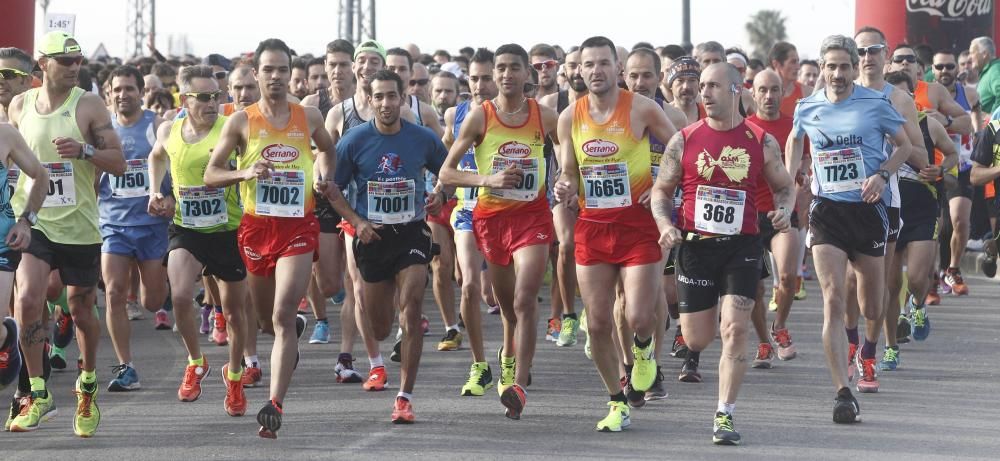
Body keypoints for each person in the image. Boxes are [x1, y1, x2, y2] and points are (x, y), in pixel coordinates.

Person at [652, 62, 793, 444]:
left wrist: (783, 209)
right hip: (696, 248)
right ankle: (702, 317)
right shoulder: (683, 139)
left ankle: (724, 413)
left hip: (741, 247)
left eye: (713, 86)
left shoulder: (760, 140)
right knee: (696, 339)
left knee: (735, 329)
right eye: (702, 87)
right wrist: (666, 226)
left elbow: (784, 185)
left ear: (735, 91)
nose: (705, 93)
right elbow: (661, 192)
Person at [205, 38, 336, 438]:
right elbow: (212, 173)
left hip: (297, 226)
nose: (276, 76)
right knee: (264, 320)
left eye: (282, 69)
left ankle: (275, 404)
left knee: (280, 315)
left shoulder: (309, 117)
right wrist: (243, 173)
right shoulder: (241, 121)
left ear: (290, 72)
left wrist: (322, 174)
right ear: (257, 74)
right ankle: (288, 332)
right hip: (256, 227)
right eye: (268, 70)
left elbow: (329, 150)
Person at [552, 36, 677, 432]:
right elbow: (568, 170)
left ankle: (643, 353)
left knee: (640, 315)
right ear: (579, 70)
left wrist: (660, 188)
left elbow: (679, 151)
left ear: (616, 69)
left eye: (604, 63)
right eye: (588, 65)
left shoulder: (641, 107)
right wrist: (565, 187)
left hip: (638, 227)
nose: (596, 71)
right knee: (601, 324)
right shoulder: (570, 116)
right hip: (593, 227)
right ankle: (616, 400)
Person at [787, 34, 914, 424]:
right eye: (831, 66)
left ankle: (864, 346)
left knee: (872, 304)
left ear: (854, 68)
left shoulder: (876, 104)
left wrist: (881, 175)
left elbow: (905, 147)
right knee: (833, 297)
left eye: (845, 66)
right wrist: (791, 187)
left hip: (868, 211)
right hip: (828, 213)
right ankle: (843, 392)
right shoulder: (807, 107)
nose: (838, 74)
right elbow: (795, 141)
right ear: (821, 68)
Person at [7, 31, 127, 437]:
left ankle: (87, 382)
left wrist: (85, 151)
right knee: (27, 298)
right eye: (65, 60)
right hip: (34, 220)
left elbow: (120, 164)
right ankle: (38, 394)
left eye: (78, 61)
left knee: (80, 309)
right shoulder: (19, 105)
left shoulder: (88, 105)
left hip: (80, 226)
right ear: (43, 64)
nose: (75, 67)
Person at [439, 43, 560, 420]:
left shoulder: (546, 116)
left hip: (533, 218)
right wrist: (488, 178)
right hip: (491, 220)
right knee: (506, 305)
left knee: (525, 301)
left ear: (528, 74)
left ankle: (519, 384)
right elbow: (446, 173)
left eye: (514, 68)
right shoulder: (480, 116)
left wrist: (568, 180)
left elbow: (569, 156)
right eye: (501, 68)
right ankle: (507, 354)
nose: (507, 75)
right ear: (494, 75)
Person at [333, 69, 448, 424]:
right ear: (369, 99)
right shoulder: (353, 141)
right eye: (378, 96)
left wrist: (440, 196)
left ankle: (404, 396)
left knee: (411, 306)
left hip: (411, 233)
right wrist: (357, 222)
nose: (385, 103)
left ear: (403, 99)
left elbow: (448, 172)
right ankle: (387, 343)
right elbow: (333, 191)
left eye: (392, 96)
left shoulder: (423, 138)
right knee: (381, 327)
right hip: (372, 238)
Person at [148, 65, 249, 418]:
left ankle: (234, 375)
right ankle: (196, 361)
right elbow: (157, 156)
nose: (213, 103)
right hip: (186, 228)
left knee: (236, 313)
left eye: (217, 96)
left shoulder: (232, 127)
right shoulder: (169, 129)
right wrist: (154, 190)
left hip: (227, 230)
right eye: (203, 97)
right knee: (178, 295)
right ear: (184, 98)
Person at [100, 65, 171, 392]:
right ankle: (125, 366)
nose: (122, 95)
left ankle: (164, 289)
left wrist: (168, 196)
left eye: (129, 89)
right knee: (114, 293)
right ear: (109, 93)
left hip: (150, 225)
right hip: (113, 224)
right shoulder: (101, 130)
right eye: (117, 89)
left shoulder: (154, 126)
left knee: (152, 301)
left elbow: (174, 165)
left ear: (140, 92)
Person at [881, 71, 957, 370]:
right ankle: (889, 347)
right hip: (888, 209)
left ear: (914, 98)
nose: (899, 104)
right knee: (889, 285)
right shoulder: (874, 126)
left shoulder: (929, 124)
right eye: (892, 98)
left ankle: (917, 304)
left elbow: (951, 154)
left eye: (905, 97)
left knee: (915, 278)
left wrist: (941, 171)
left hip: (922, 208)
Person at [442, 48, 500, 396]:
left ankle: (512, 356)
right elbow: (447, 159)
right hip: (466, 211)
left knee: (504, 297)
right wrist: (438, 188)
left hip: (509, 213)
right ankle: (479, 365)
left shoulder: (520, 114)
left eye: (486, 78)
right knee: (468, 285)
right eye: (474, 78)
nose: (479, 85)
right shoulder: (457, 113)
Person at [746, 69, 802, 367]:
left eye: (775, 90)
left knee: (787, 277)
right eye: (763, 90)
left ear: (783, 93)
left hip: (783, 212)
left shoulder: (794, 127)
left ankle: (779, 326)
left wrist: (802, 172)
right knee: (755, 286)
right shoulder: (744, 129)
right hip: (750, 216)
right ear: (752, 93)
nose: (769, 96)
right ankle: (763, 342)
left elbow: (804, 159)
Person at [0, 125, 49, 390]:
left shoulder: (5, 134)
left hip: (1, 242)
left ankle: (7, 336)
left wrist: (26, 222)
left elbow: (41, 175)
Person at [969, 37, 1000, 114]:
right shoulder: (989, 71)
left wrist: (993, 119)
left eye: (972, 53)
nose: (969, 57)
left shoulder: (995, 70)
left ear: (984, 54)